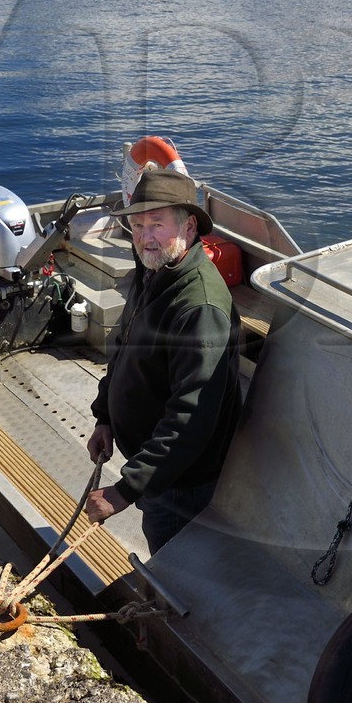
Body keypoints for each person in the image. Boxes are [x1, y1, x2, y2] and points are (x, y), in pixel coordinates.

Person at [85, 168, 243, 552]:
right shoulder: (154, 271)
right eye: (137, 226)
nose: (144, 237)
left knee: (176, 567)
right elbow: (124, 345)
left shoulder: (199, 307)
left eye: (156, 224)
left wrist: (126, 490)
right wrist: (105, 415)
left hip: (180, 485)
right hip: (154, 470)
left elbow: (190, 418)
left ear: (189, 229)